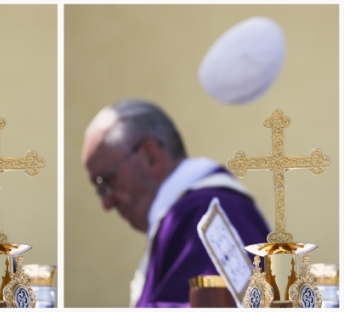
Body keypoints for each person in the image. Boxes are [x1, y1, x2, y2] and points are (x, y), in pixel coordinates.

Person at [80, 99, 270, 308]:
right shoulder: (187, 215)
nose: (107, 203)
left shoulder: (203, 215)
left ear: (150, 157)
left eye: (106, 181)